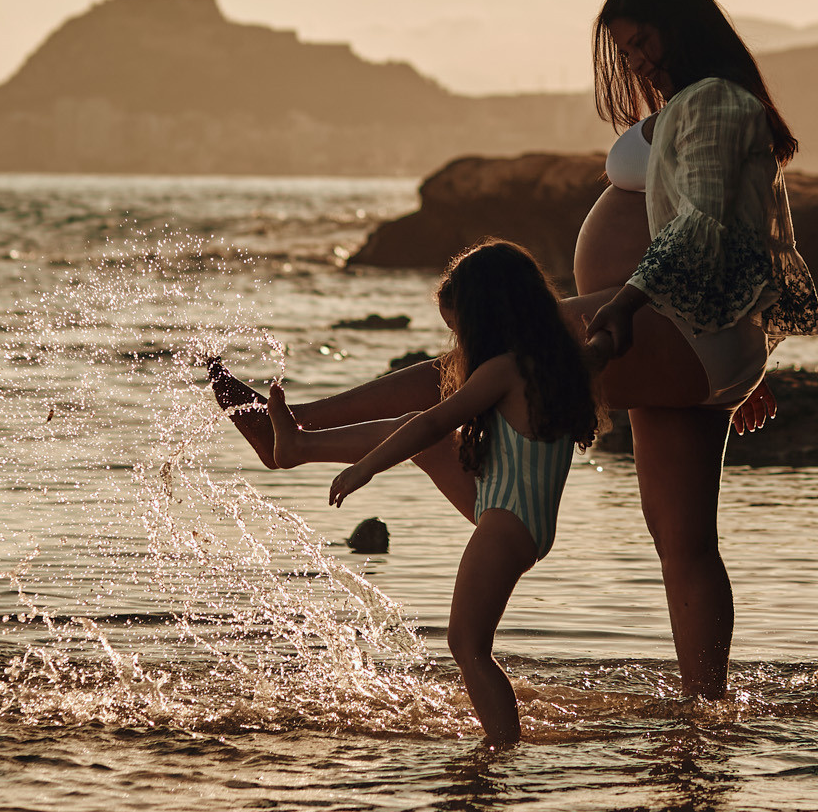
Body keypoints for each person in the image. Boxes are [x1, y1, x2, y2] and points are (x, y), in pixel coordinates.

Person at [212, 0, 818, 702]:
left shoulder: (718, 103)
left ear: (683, 25)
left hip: (673, 327)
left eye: (643, 42)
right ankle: (705, 714)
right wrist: (734, 364)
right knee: (682, 540)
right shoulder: (709, 103)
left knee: (478, 363)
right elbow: (737, 231)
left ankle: (298, 431)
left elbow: (704, 228)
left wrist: (626, 313)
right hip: (687, 339)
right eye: (625, 52)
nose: (636, 62)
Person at [215, 239, 596, 747]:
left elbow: (433, 419)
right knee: (432, 443)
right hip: (514, 513)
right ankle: (296, 446)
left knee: (468, 645)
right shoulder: (561, 361)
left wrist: (363, 469)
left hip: (506, 524)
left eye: (459, 329)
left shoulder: (502, 371)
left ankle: (502, 750)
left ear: (486, 317)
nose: (458, 342)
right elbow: (432, 432)